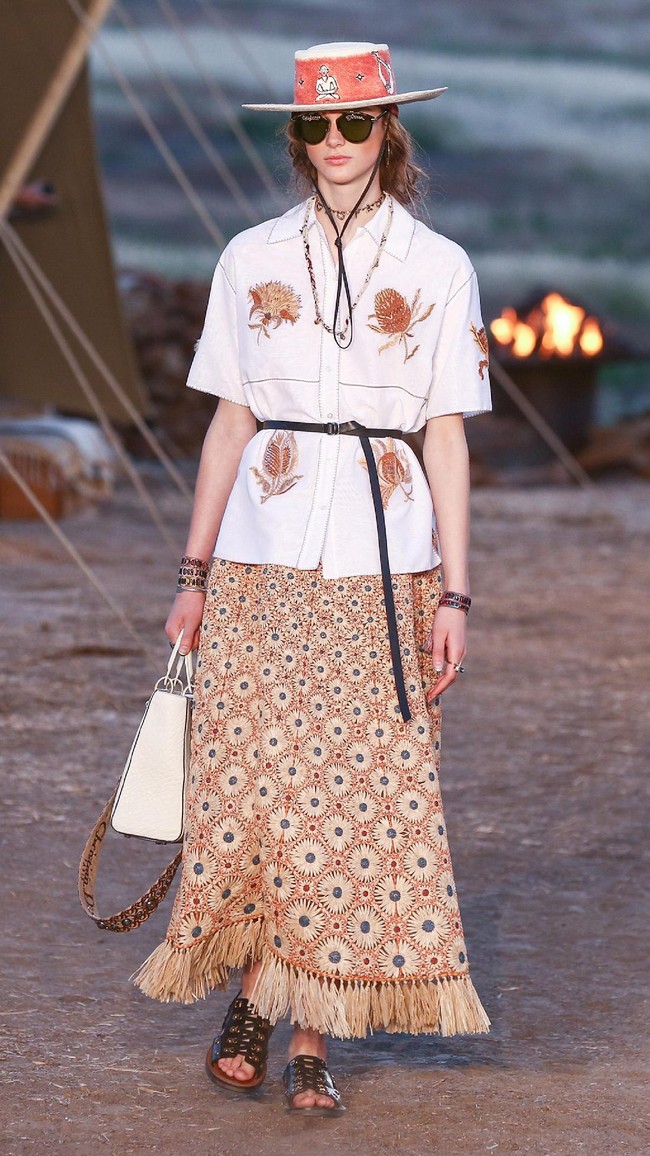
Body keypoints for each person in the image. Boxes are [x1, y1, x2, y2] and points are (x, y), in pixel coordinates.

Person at [134, 41, 492, 1114]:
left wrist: (457, 595)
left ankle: (305, 1036)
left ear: (389, 130)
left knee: (359, 798)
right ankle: (257, 992)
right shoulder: (247, 257)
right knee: (258, 789)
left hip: (384, 569)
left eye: (355, 123)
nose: (334, 143)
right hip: (259, 553)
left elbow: (446, 439)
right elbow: (227, 423)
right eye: (315, 127)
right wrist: (192, 572)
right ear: (296, 139)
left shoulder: (438, 266)